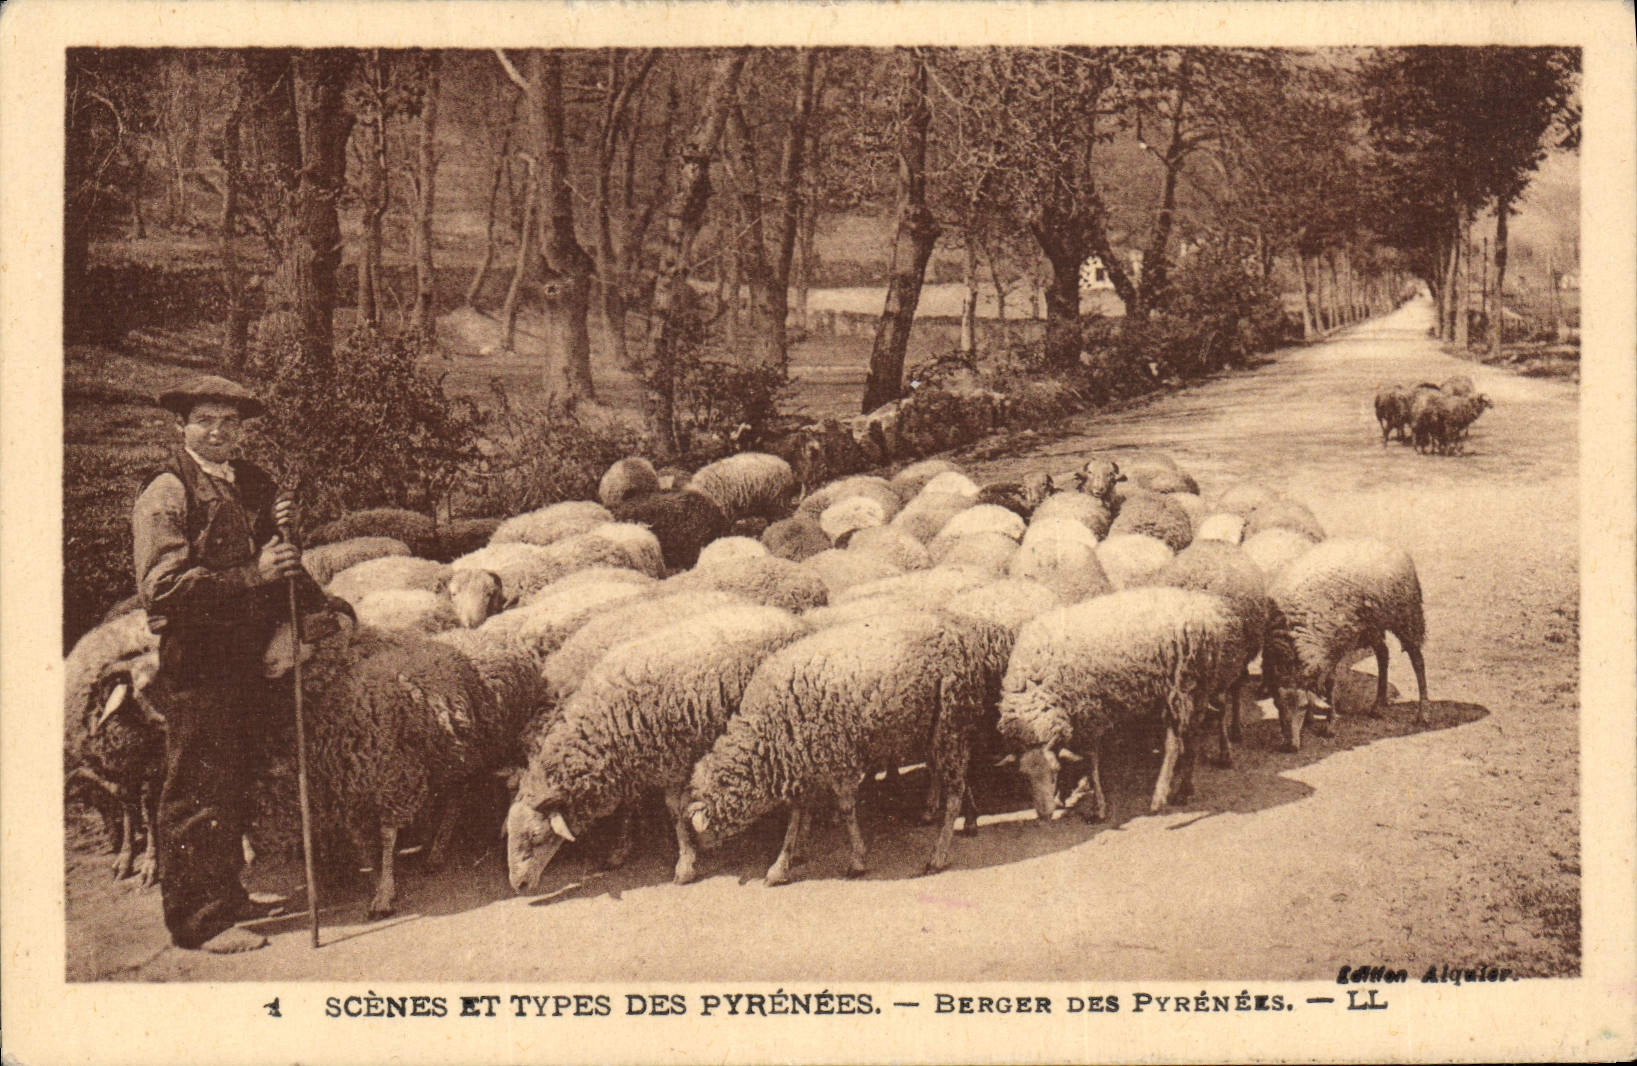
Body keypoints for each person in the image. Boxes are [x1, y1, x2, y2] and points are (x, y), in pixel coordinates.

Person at [132, 374, 324, 953]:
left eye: (229, 422)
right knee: (197, 785)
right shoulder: (168, 491)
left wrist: (307, 602)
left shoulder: (252, 481)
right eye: (206, 421)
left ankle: (229, 894)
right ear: (183, 426)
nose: (219, 432)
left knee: (235, 779)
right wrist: (254, 575)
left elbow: (280, 556)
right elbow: (161, 589)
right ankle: (198, 921)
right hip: (199, 660)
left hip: (250, 654)